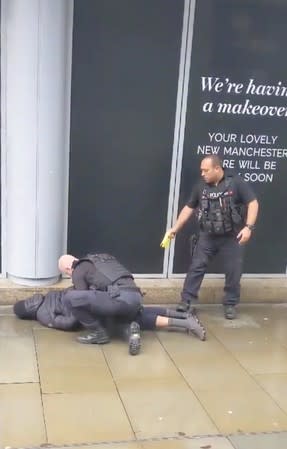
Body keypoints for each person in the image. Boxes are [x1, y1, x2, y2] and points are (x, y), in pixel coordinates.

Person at [166, 155, 259, 320]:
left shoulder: (236, 183)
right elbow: (189, 208)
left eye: (206, 170)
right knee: (196, 267)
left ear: (217, 168)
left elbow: (253, 203)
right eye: (201, 170)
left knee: (233, 271)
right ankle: (186, 301)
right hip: (207, 236)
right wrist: (175, 228)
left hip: (232, 236)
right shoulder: (200, 187)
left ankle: (230, 304)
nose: (202, 173)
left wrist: (248, 227)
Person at [13, 294, 206, 353]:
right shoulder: (49, 295)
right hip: (97, 299)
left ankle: (186, 323)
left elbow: (69, 323)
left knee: (137, 318)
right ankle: (183, 315)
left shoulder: (42, 314)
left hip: (93, 314)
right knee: (138, 311)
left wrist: (82, 316)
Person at [58, 253, 143, 350]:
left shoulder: (78, 269)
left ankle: (98, 333)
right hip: (136, 298)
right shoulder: (102, 260)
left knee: (69, 298)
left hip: (118, 298)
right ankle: (131, 332)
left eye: (67, 274)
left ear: (68, 269)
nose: (70, 277)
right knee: (116, 321)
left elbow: (82, 298)